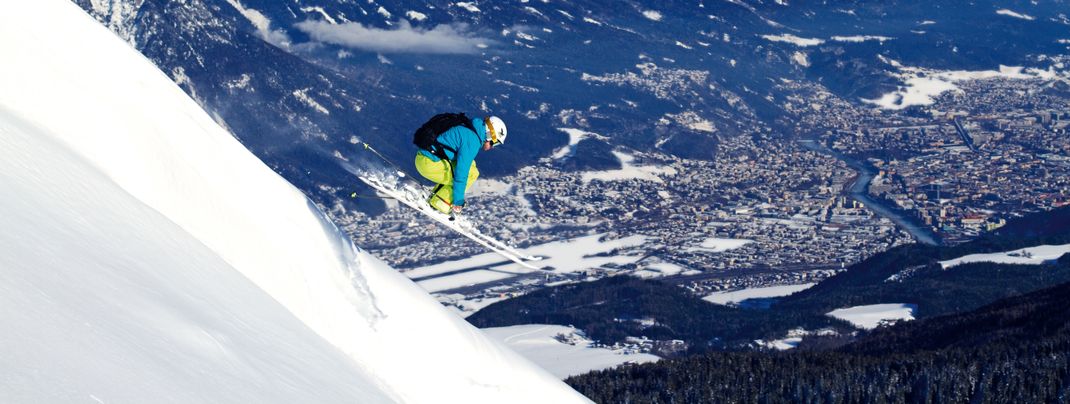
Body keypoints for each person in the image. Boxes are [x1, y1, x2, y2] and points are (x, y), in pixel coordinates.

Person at [415, 115, 507, 214]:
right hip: (428, 165)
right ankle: (440, 203)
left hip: (423, 158)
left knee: (472, 166)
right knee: (471, 174)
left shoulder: (468, 127)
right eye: (495, 142)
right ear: (490, 134)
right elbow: (461, 174)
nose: (493, 147)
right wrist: (458, 201)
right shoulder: (472, 141)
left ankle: (438, 199)